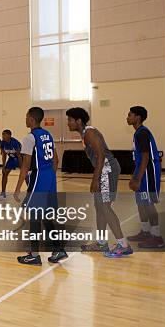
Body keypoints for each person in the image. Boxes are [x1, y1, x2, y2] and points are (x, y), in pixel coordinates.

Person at [66, 108, 132, 257]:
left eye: (70, 120)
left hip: (106, 170)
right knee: (99, 206)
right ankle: (102, 243)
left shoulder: (89, 133)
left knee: (104, 206)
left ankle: (123, 244)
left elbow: (101, 155)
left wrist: (95, 179)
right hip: (103, 170)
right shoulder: (85, 134)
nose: (68, 123)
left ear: (78, 121)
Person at [14, 107, 67, 265]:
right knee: (45, 216)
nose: (24, 119)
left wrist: (17, 188)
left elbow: (25, 166)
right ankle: (58, 249)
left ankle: (35, 255)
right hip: (50, 177)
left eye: (26, 116)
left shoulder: (30, 138)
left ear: (31, 119)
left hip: (39, 177)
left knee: (35, 217)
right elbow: (56, 161)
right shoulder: (47, 134)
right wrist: (49, 177)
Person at [125, 106, 164, 248]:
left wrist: (138, 178)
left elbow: (146, 157)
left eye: (130, 115)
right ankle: (146, 231)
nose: (127, 117)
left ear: (138, 117)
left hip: (149, 171)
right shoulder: (138, 133)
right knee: (141, 202)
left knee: (148, 203)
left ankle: (157, 236)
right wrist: (135, 175)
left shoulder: (142, 133)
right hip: (142, 169)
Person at [0, 129, 22, 199]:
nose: (3, 136)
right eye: (2, 134)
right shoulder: (2, 143)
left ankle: (30, 192)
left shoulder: (15, 142)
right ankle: (3, 193)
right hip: (11, 159)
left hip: (20, 158)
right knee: (4, 173)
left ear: (9, 135)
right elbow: (4, 155)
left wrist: (22, 168)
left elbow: (19, 156)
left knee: (25, 175)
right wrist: (3, 166)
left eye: (5, 134)